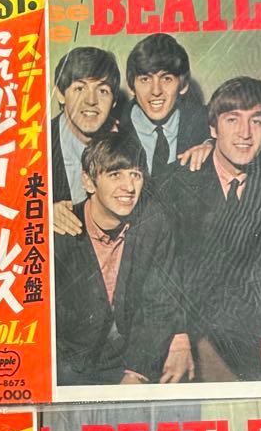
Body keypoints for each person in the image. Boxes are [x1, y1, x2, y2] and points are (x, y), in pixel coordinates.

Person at [160, 76, 261, 381]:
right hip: (182, 323)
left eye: (256, 121)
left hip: (242, 324)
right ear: (213, 129)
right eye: (232, 119)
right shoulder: (178, 182)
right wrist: (178, 335)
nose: (245, 134)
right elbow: (163, 268)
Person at [53, 133, 193, 386]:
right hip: (67, 364)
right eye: (115, 174)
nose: (128, 187)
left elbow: (159, 304)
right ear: (88, 182)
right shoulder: (61, 228)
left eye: (135, 175)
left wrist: (136, 372)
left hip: (127, 358)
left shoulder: (153, 223)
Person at [117, 33, 211, 183]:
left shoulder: (204, 121)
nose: (156, 91)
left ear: (183, 85)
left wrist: (212, 147)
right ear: (131, 86)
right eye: (145, 79)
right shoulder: (115, 128)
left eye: (166, 79)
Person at [49, 46, 122, 236]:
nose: (91, 100)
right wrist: (41, 211)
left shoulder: (126, 143)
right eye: (80, 88)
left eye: (103, 90)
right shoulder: (35, 145)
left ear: (114, 101)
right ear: (60, 94)